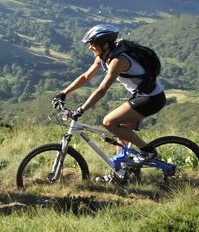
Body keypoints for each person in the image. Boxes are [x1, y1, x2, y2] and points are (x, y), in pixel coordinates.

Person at [54, 24, 166, 178]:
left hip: (151, 99)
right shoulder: (103, 56)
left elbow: (101, 90)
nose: (90, 48)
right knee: (122, 135)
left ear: (105, 44)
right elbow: (86, 76)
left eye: (92, 44)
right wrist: (63, 93)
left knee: (108, 122)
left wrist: (81, 110)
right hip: (140, 95)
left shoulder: (118, 60)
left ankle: (148, 152)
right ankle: (120, 174)